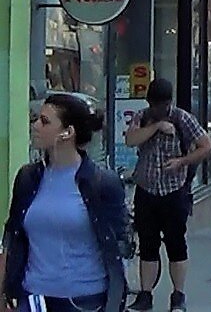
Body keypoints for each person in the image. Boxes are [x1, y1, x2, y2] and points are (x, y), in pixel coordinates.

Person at [1, 94, 128, 312]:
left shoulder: (102, 183)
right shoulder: (28, 178)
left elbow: (119, 245)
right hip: (33, 298)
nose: (35, 126)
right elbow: (11, 236)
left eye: (44, 121)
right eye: (36, 119)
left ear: (67, 133)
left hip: (84, 300)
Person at [124, 78, 211, 312]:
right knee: (148, 244)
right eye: (153, 105)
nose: (157, 110)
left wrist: (182, 162)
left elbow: (207, 147)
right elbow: (130, 139)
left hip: (174, 190)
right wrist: (155, 126)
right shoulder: (142, 117)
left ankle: (178, 295)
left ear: (169, 103)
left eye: (161, 106)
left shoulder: (183, 119)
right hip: (146, 190)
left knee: (176, 245)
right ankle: (146, 294)